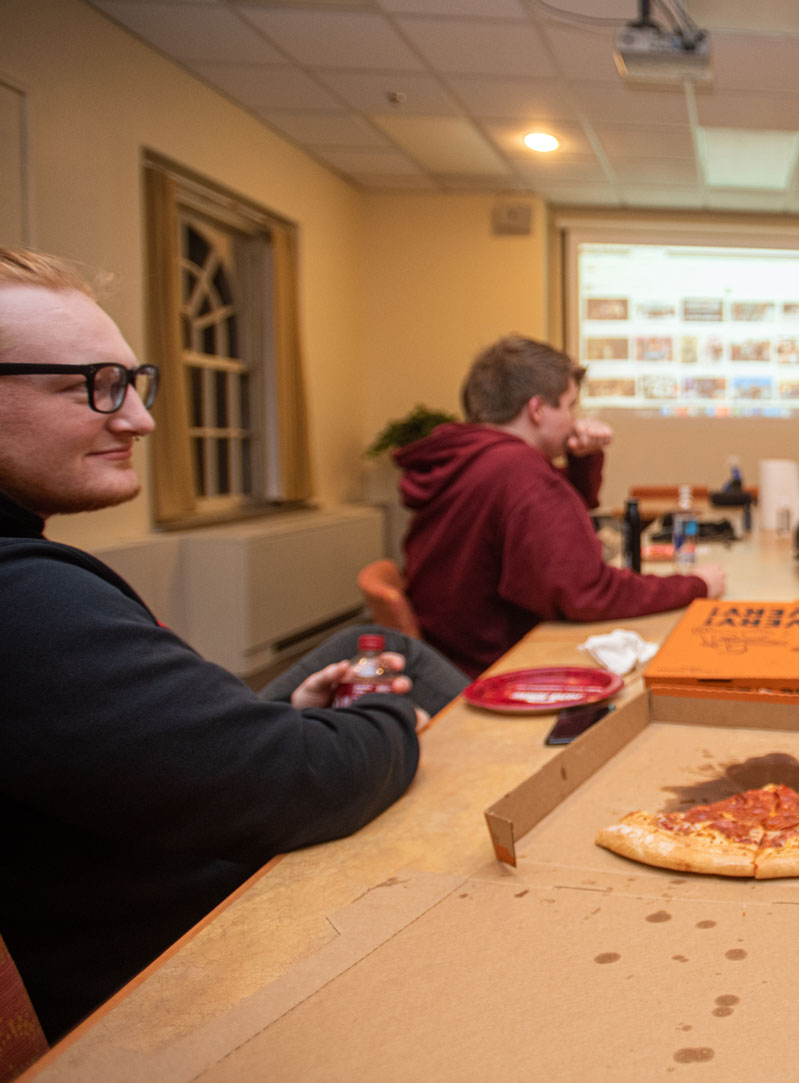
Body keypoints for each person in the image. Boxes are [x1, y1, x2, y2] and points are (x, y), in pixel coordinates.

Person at [0, 248, 447, 1041]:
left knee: (375, 643)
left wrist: (273, 717)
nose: (138, 418)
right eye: (92, 385)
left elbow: (141, 755)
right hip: (182, 988)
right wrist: (383, 717)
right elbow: (293, 780)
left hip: (168, 857)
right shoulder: (25, 599)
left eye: (133, 383)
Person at [397, 335, 724, 676]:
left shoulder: (473, 458)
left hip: (449, 656)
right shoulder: (519, 471)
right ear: (537, 409)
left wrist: (582, 459)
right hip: (497, 667)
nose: (574, 420)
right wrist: (695, 585)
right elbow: (586, 593)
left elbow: (548, 532)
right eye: (570, 406)